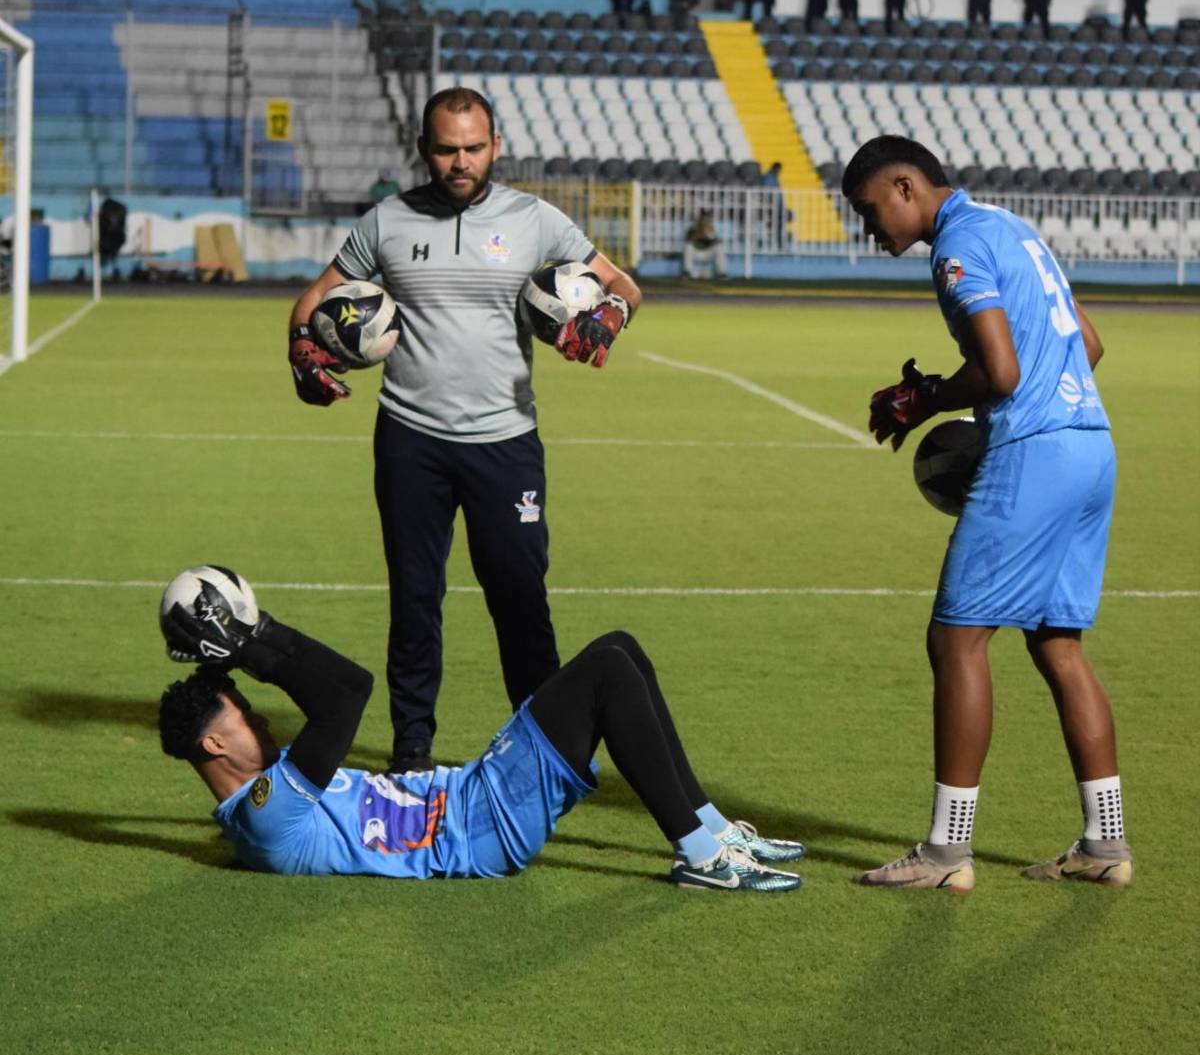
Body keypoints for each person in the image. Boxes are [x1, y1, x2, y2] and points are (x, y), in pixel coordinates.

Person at [287, 86, 642, 774]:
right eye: (447, 149)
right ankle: (411, 750)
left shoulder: (534, 220)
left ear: (496, 146)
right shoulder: (386, 222)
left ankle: (548, 753)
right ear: (424, 149)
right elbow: (315, 296)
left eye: (474, 148)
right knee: (415, 599)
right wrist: (302, 348)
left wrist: (607, 318)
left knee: (521, 599)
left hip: (505, 442)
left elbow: (622, 285)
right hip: (410, 440)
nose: (461, 162)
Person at [840, 134, 1131, 893]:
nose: (871, 232)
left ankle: (945, 854)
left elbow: (1001, 372)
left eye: (870, 213)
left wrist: (925, 396)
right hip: (1092, 446)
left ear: (906, 186)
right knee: (1057, 645)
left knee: (956, 639)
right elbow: (1089, 345)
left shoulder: (957, 247)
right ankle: (1106, 843)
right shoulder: (1012, 226)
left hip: (1034, 454)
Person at [157, 587, 806, 893]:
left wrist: (257, 630)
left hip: (471, 799)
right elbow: (343, 700)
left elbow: (349, 683)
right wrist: (251, 646)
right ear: (215, 747)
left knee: (618, 649)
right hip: (478, 828)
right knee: (606, 672)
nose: (263, 721)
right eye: (243, 715)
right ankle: (700, 857)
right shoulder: (265, 817)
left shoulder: (270, 799)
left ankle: (713, 828)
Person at [682, 208, 728, 279]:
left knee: (719, 247)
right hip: (696, 252)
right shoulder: (693, 228)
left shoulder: (711, 228)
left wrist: (713, 239)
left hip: (707, 252)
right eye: (704, 218)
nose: (706, 220)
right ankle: (687, 272)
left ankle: (722, 273)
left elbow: (716, 241)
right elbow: (689, 239)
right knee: (688, 246)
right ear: (700, 219)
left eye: (707, 218)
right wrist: (700, 234)